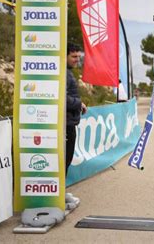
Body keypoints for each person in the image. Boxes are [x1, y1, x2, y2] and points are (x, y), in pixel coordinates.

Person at [66, 43, 87, 207]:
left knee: (66, 159)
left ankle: (59, 192)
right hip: (65, 124)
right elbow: (61, 98)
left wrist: (79, 103)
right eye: (73, 57)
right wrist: (78, 103)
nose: (77, 60)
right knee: (64, 160)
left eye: (79, 57)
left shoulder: (68, 73)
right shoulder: (63, 74)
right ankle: (58, 194)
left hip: (69, 121)